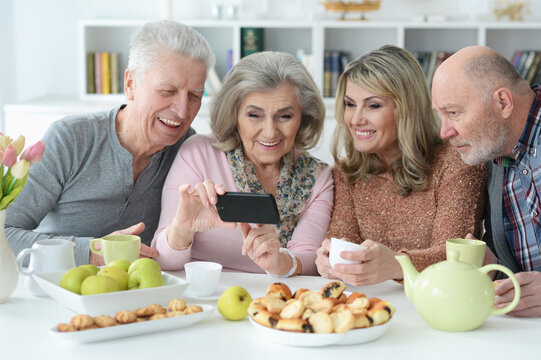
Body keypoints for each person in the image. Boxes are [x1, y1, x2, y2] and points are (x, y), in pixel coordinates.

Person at [6, 20, 215, 266]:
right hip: (60, 291)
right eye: (167, 91)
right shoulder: (70, 139)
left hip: (145, 294)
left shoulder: (190, 151)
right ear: (130, 85)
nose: (182, 111)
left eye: (194, 96)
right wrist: (92, 252)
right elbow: (4, 233)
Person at [315, 45, 486, 286]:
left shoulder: (456, 164)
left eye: (373, 105)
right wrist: (327, 258)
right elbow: (343, 243)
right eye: (350, 104)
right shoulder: (345, 173)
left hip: (439, 306)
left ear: (407, 109)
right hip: (370, 306)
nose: (355, 119)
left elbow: (456, 257)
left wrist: (396, 264)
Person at [151, 51, 333, 277]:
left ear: (303, 117)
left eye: (285, 116)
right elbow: (164, 260)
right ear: (234, 114)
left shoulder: (318, 176)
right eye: (254, 115)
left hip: (277, 300)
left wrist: (280, 262)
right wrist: (182, 229)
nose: (269, 132)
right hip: (203, 295)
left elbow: (310, 259)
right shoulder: (199, 152)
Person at [432, 45, 541, 317]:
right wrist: (491, 265)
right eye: (441, 115)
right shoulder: (493, 152)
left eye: (454, 113)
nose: (444, 131)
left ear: (503, 102)